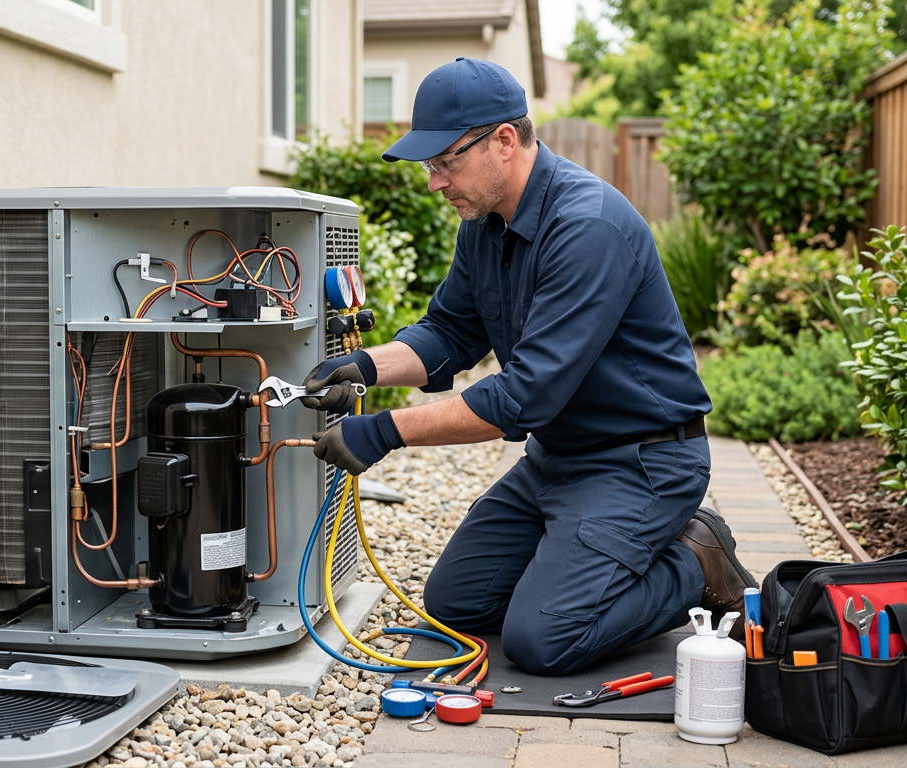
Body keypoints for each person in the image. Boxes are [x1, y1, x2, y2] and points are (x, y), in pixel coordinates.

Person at [300, 57, 756, 676]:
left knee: (544, 642)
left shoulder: (586, 226)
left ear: (504, 142)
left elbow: (524, 397)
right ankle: (591, 557)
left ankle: (691, 558)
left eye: (444, 162)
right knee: (455, 603)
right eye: (429, 167)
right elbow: (450, 332)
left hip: (642, 463)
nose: (435, 182)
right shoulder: (486, 224)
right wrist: (361, 366)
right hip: (559, 459)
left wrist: (384, 432)